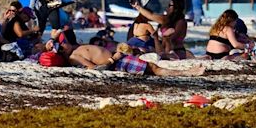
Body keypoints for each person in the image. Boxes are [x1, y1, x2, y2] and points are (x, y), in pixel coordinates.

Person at [67, 43, 205, 77]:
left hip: (119, 59)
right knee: (153, 69)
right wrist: (112, 59)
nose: (63, 44)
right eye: (60, 45)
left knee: (152, 66)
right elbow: (94, 69)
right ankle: (188, 73)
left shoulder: (74, 50)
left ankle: (188, 71)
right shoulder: (74, 57)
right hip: (117, 62)